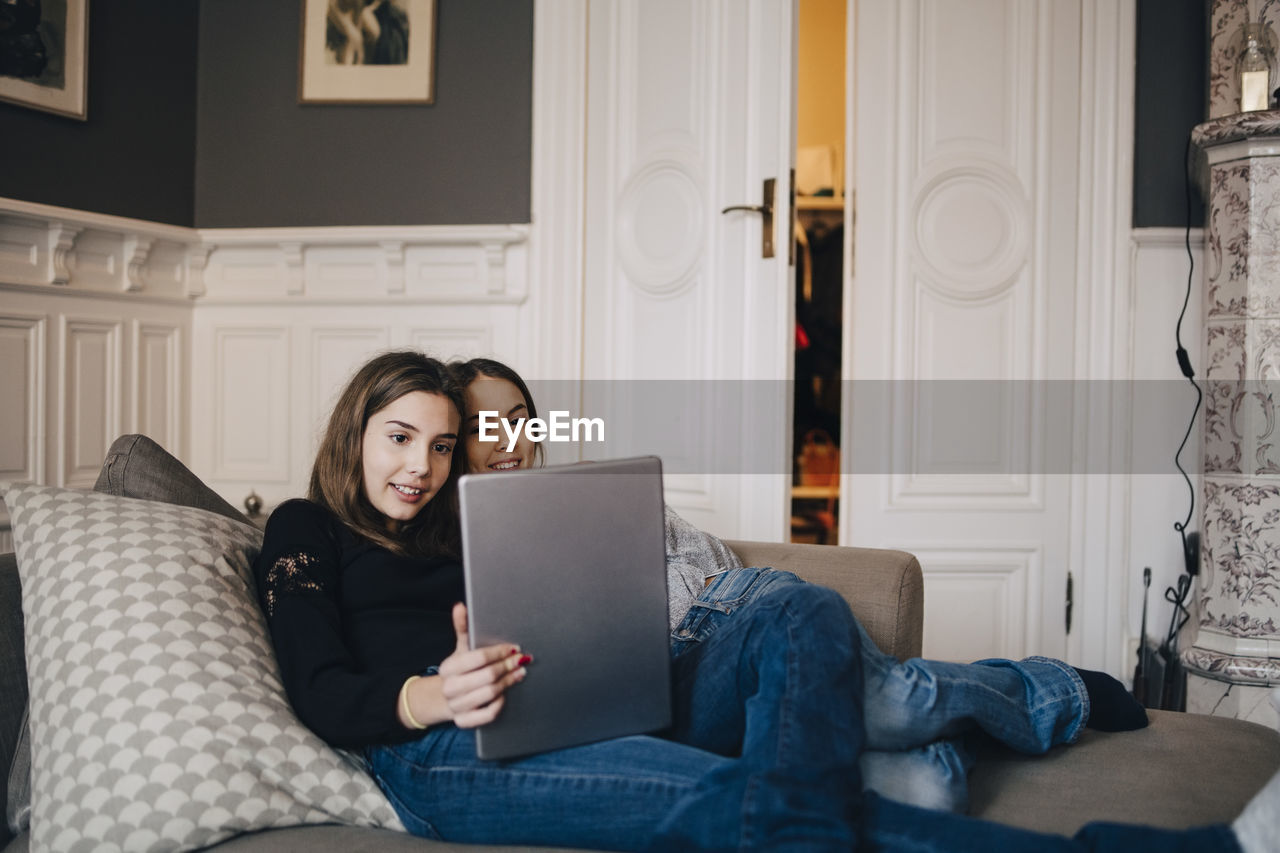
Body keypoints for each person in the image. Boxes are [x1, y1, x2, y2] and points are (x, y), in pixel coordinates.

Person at [255, 349, 1275, 852]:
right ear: (356, 432)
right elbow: (319, 688)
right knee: (747, 805)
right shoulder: (305, 529)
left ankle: (811, 809)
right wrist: (426, 698)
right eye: (400, 437)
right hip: (442, 750)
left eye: (443, 443)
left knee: (798, 610)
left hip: (579, 691)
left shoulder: (475, 514)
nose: (421, 464)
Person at [449, 357, 1149, 813]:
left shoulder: (599, 498)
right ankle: (970, 719)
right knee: (929, 789)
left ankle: (1056, 687)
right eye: (488, 427)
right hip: (684, 712)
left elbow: (714, 569)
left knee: (900, 700)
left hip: (739, 619)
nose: (511, 440)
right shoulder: (457, 555)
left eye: (521, 421)